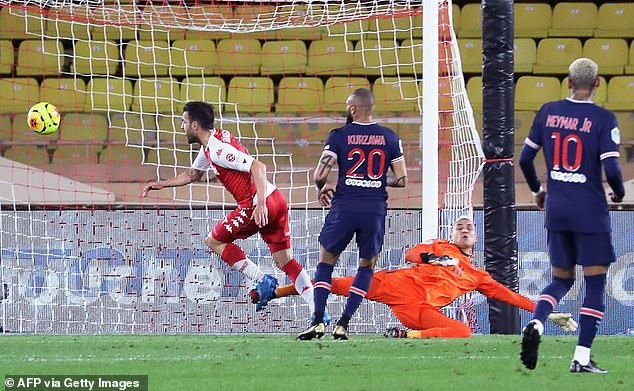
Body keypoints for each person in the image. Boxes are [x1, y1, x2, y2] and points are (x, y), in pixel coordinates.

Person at [264, 216, 577, 338]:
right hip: (394, 283)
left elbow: (509, 296)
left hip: (417, 309)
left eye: (469, 228)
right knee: (332, 283)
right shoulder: (438, 246)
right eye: (460, 227)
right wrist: (431, 257)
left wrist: (547, 313)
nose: (465, 230)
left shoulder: (478, 276)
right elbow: (411, 254)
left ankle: (407, 336)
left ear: (476, 239)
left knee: (462, 333)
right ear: (452, 234)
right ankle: (275, 292)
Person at [142, 101, 315, 314]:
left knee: (214, 240)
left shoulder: (217, 150)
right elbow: (194, 174)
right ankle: (317, 312)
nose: (182, 126)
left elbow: (257, 166)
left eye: (184, 122)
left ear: (194, 125)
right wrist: (162, 184)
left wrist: (259, 204)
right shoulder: (212, 144)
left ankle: (263, 280)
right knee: (285, 261)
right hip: (277, 199)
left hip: (257, 203)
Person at [518, 58, 625, 373]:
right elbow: (612, 168)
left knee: (561, 280)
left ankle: (536, 324)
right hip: (589, 210)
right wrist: (618, 193)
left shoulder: (548, 112)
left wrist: (538, 191)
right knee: (594, 284)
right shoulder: (603, 119)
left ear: (567, 82)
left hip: (557, 208)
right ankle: (580, 358)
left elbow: (525, 158)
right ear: (597, 83)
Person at [297, 88, 408, 340]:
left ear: (352, 108)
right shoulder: (390, 137)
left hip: (344, 206)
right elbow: (402, 180)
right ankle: (344, 323)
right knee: (366, 265)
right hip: (374, 209)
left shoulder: (340, 136)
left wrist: (321, 189)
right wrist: (378, 181)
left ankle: (317, 321)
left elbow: (320, 175)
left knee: (326, 260)